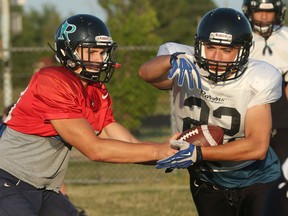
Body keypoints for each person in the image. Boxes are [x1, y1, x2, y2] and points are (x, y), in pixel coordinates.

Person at [0, 14, 180, 216]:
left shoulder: (95, 89)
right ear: (68, 51)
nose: (99, 59)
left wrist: (171, 152)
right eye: (91, 52)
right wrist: (157, 151)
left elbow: (122, 139)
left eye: (102, 52)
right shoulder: (52, 80)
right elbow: (95, 149)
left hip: (42, 188)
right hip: (7, 179)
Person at [138, 8, 283, 216]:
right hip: (207, 180)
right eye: (210, 47)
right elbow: (146, 74)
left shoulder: (258, 77)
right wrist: (170, 61)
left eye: (227, 50)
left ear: (242, 51)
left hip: (256, 179)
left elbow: (257, 147)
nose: (217, 57)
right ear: (199, 45)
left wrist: (197, 153)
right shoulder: (183, 62)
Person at [242, 1, 288, 214]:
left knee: (282, 170)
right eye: (259, 11)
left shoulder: (286, 37)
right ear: (249, 12)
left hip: (281, 112)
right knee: (250, 172)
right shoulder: (242, 37)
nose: (264, 17)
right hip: (249, 109)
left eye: (269, 13)